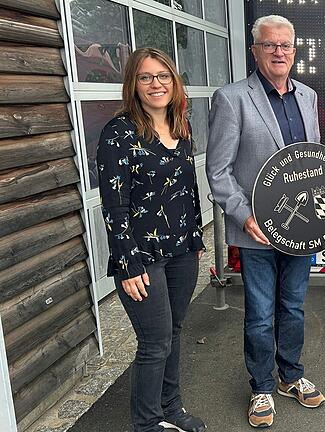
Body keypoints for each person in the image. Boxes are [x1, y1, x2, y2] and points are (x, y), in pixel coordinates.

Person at [206, 15, 325, 428]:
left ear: (294, 51)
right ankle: (261, 387)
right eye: (270, 45)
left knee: (292, 307)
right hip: (256, 231)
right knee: (259, 313)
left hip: (301, 230)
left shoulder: (308, 96)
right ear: (255, 51)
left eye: (286, 45)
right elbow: (218, 171)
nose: (279, 52)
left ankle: (291, 375)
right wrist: (244, 215)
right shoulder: (232, 97)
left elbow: (316, 161)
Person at [97, 47, 206, 432]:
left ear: (174, 81)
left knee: (174, 333)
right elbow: (114, 205)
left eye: (163, 75)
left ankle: (171, 408)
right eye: (146, 77)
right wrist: (127, 265)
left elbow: (186, 194)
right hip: (142, 258)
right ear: (134, 84)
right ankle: (147, 423)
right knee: (154, 341)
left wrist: (195, 239)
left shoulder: (181, 127)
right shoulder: (120, 133)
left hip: (182, 251)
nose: (156, 83)